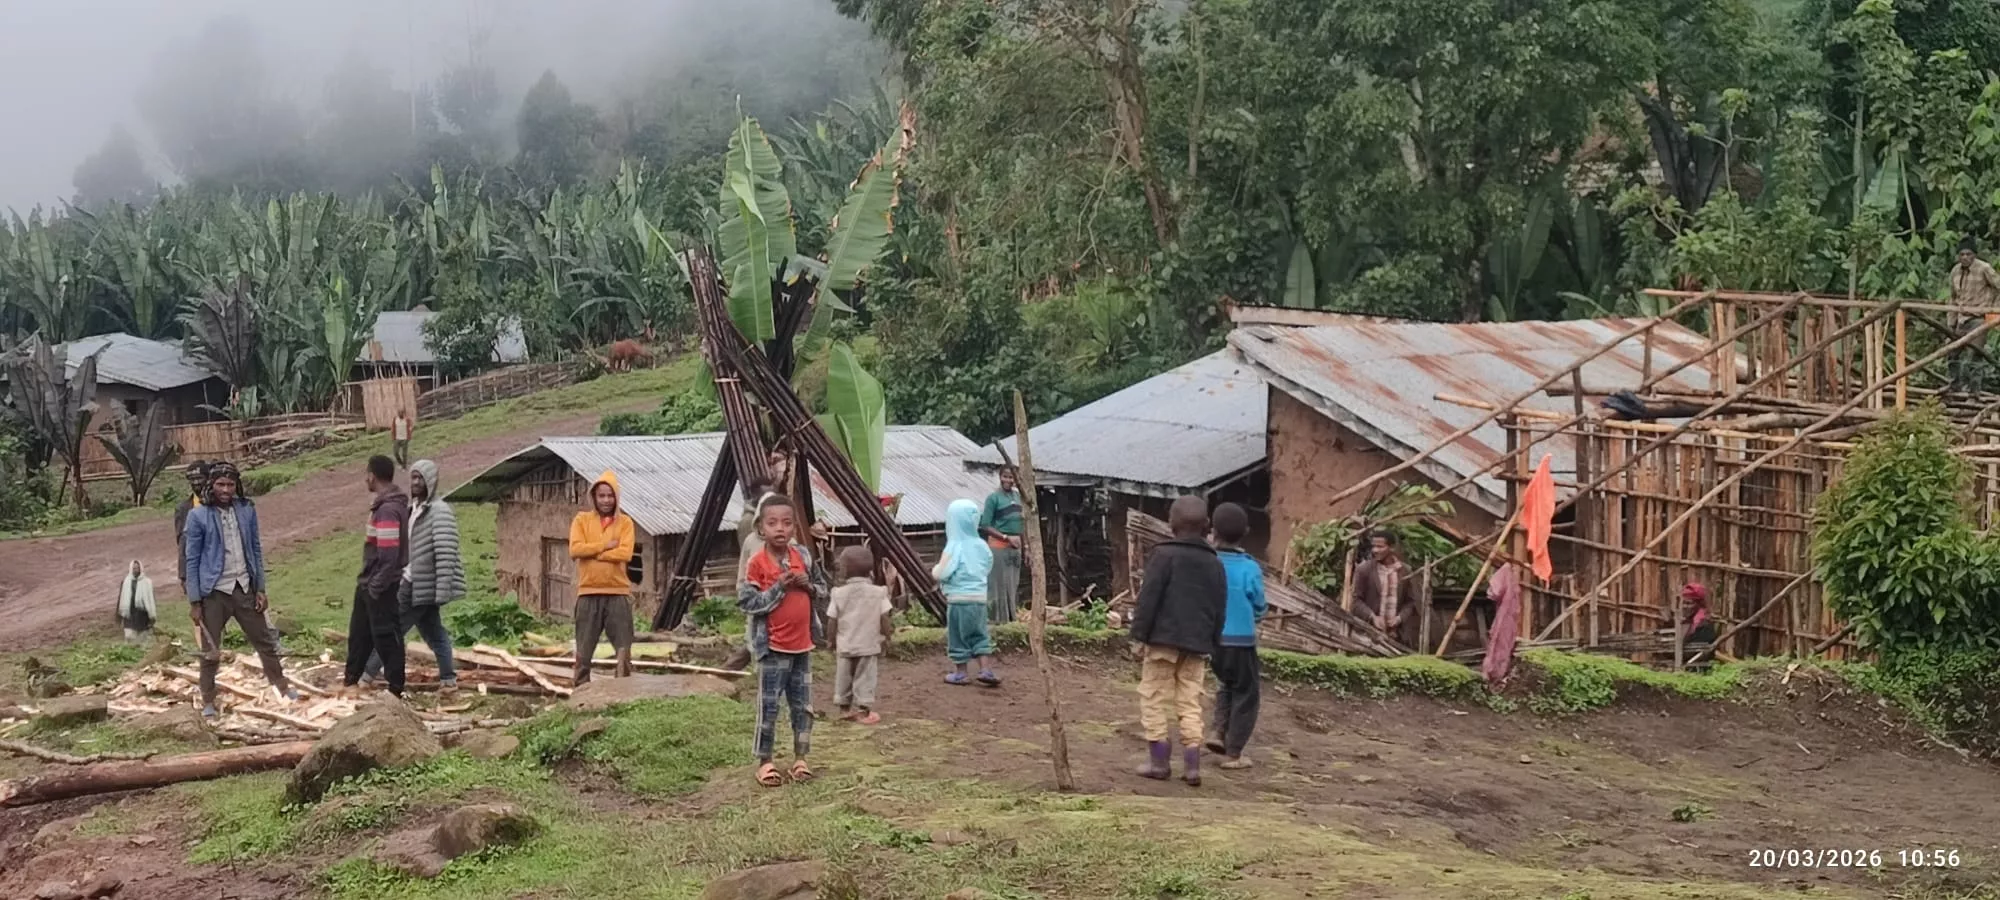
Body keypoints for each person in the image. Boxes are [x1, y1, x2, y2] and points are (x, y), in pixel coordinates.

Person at [182, 461, 297, 717]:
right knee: (210, 651)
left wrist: (260, 588)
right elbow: (192, 559)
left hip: (244, 587)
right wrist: (195, 602)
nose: (225, 490)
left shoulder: (246, 510)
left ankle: (282, 687)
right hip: (214, 593)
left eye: (230, 484)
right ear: (211, 485)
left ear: (237, 486)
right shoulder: (198, 516)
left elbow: (255, 549)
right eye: (220, 484)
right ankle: (208, 701)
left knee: (264, 642)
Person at [1129, 495, 1227, 786]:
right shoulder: (1215, 563)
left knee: (1154, 698)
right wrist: (1213, 641)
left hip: (1162, 641)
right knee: (1190, 702)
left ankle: (1159, 762)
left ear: (1171, 523)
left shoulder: (1163, 556)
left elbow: (1148, 600)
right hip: (1197, 646)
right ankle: (1192, 766)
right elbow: (1219, 607)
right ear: (1206, 525)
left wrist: (1138, 636)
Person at [738, 494, 828, 786]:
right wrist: (779, 587)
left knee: (803, 706)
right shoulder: (757, 562)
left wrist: (808, 586)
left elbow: (823, 589)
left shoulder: (803, 556)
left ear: (794, 528)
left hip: (803, 646)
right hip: (773, 648)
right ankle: (765, 762)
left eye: (787, 523)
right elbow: (748, 602)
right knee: (769, 707)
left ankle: (801, 759)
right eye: (773, 523)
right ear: (760, 528)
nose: (780, 528)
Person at [363, 459, 467, 691]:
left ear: (431, 481)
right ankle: (448, 680)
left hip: (419, 584)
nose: (416, 483)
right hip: (413, 580)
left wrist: (441, 591)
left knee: (392, 629)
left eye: (421, 478)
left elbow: (446, 552)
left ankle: (366, 675)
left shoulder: (440, 512)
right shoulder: (415, 509)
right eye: (413, 477)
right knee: (434, 632)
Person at [1205, 503, 1266, 770]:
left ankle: (1217, 731)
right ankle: (1234, 754)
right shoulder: (1249, 567)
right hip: (1242, 642)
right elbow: (1259, 603)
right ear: (1246, 532)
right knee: (1246, 694)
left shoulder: (1209, 562)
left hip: (1214, 640)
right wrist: (1257, 614)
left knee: (1225, 685)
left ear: (1213, 531)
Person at [345, 456, 411, 697]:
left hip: (380, 585)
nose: (365, 479)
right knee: (359, 635)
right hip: (368, 582)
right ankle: (350, 683)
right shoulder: (384, 506)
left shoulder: (388, 510)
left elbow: (389, 555)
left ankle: (395, 689)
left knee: (385, 637)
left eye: (367, 474)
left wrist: (376, 587)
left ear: (372, 476)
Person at [568, 470, 637, 684]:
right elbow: (575, 550)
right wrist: (605, 546)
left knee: (623, 649)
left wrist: (594, 553)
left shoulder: (625, 523)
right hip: (588, 593)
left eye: (610, 495)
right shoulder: (582, 520)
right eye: (601, 496)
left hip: (618, 593)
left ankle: (623, 690)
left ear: (616, 498)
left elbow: (625, 554)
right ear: (594, 497)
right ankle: (580, 690)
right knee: (584, 650)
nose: (606, 500)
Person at [937, 499, 1001, 687]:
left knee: (957, 636)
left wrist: (935, 572)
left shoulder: (953, 546)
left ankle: (961, 673)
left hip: (958, 600)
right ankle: (985, 670)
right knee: (980, 634)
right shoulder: (982, 545)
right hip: (979, 599)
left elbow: (943, 572)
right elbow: (987, 565)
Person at [827, 545, 894, 724]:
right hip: (868, 644)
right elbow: (884, 617)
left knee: (844, 676)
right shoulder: (878, 592)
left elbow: (832, 620)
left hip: (845, 644)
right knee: (865, 677)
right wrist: (887, 636)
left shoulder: (838, 594)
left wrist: (830, 640)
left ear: (846, 570)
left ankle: (844, 709)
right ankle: (863, 711)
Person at [1949, 238, 2000, 393]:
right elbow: (1953, 297)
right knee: (1952, 353)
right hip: (1961, 318)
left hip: (1978, 318)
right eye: (1962, 254)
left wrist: (1994, 307)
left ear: (1974, 255)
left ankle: (1974, 392)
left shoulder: (1984, 268)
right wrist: (1951, 322)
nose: (1965, 257)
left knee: (1974, 356)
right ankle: (1954, 387)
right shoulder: (1955, 271)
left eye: (1968, 254)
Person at [1354, 531, 1419, 650]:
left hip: (1397, 636)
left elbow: (1410, 602)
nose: (1375, 550)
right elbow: (1356, 600)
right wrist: (1372, 617)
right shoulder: (1364, 570)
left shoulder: (1405, 571)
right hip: (1369, 635)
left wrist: (1399, 618)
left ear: (1392, 547)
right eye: (1373, 546)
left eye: (1380, 546)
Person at [979, 466, 1025, 624]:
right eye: (1005, 476)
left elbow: (1022, 525)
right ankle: (997, 620)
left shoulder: (1019, 497)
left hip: (1016, 548)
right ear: (1000, 477)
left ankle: (1011, 619)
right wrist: (1006, 537)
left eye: (1011, 477)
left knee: (1013, 584)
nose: (1008, 480)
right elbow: (985, 525)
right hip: (999, 547)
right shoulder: (993, 498)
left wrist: (1026, 548)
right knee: (998, 585)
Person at [173, 460, 210, 593]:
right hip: (198, 569)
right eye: (192, 480)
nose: (196, 483)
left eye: (199, 478)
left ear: (208, 479)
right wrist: (183, 575)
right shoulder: (183, 509)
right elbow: (182, 544)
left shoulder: (220, 504)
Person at [117, 560, 157, 643]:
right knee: (130, 637)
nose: (136, 570)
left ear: (141, 569)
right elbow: (121, 599)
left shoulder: (147, 582)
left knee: (142, 638)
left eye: (137, 568)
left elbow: (150, 599)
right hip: (129, 614)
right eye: (134, 568)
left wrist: (152, 616)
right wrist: (119, 616)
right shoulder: (126, 582)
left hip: (142, 615)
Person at [1681, 582, 1717, 670]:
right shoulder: (1688, 622)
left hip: (1699, 669)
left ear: (1699, 604)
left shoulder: (1704, 624)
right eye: (1684, 603)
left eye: (1689, 603)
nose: (1684, 606)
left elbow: (1698, 652)